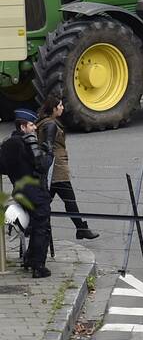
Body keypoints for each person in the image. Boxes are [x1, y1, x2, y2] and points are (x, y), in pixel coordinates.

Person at [0, 109, 54, 277]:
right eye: (31, 125)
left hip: (19, 190)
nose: (34, 129)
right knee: (41, 227)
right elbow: (43, 165)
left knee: (33, 225)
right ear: (23, 126)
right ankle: (38, 266)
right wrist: (50, 151)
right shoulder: (28, 142)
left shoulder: (8, 144)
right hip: (35, 192)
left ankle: (29, 258)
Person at [37, 95, 98, 240]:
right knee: (69, 200)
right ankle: (81, 228)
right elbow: (48, 146)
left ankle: (31, 225)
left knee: (44, 200)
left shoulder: (44, 122)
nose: (62, 108)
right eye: (60, 106)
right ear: (53, 109)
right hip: (57, 168)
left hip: (53, 168)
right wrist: (50, 162)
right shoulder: (51, 124)